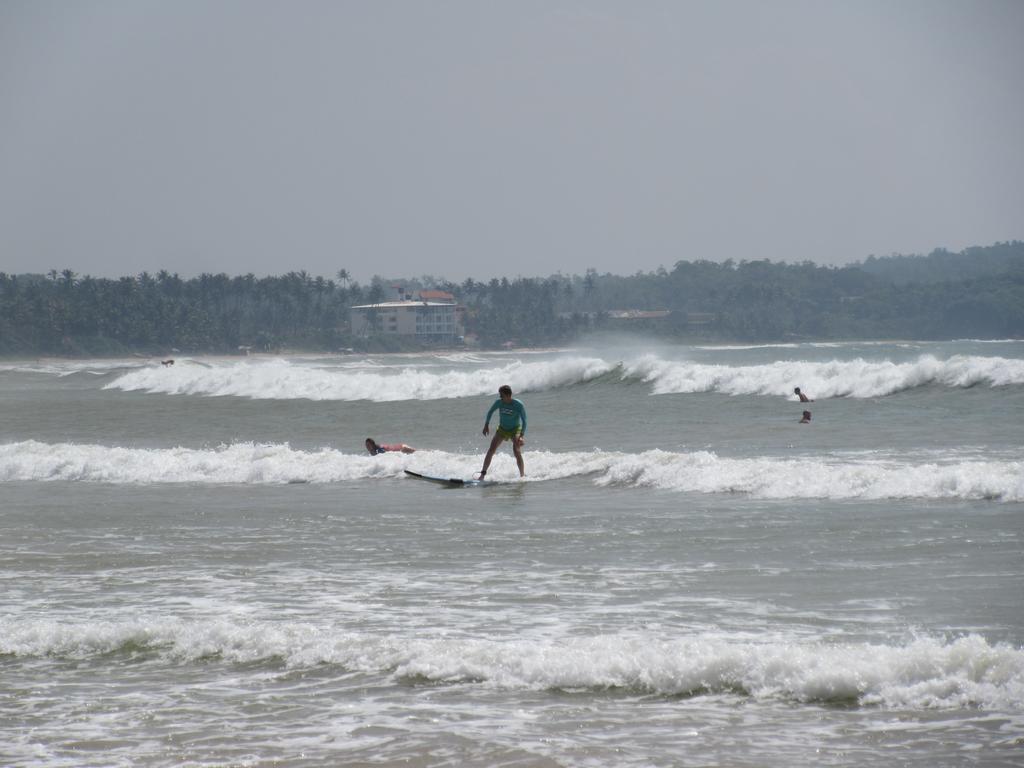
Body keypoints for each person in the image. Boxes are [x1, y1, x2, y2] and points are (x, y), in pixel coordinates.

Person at [479, 384, 527, 478]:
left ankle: (522, 476)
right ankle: (482, 475)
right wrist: (486, 425)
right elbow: (490, 412)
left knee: (517, 451)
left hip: (515, 430)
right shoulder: (499, 402)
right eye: (500, 395)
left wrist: (521, 435)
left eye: (502, 395)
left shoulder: (518, 405)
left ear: (509, 395)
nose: (500, 397)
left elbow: (524, 421)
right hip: (502, 429)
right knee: (491, 450)